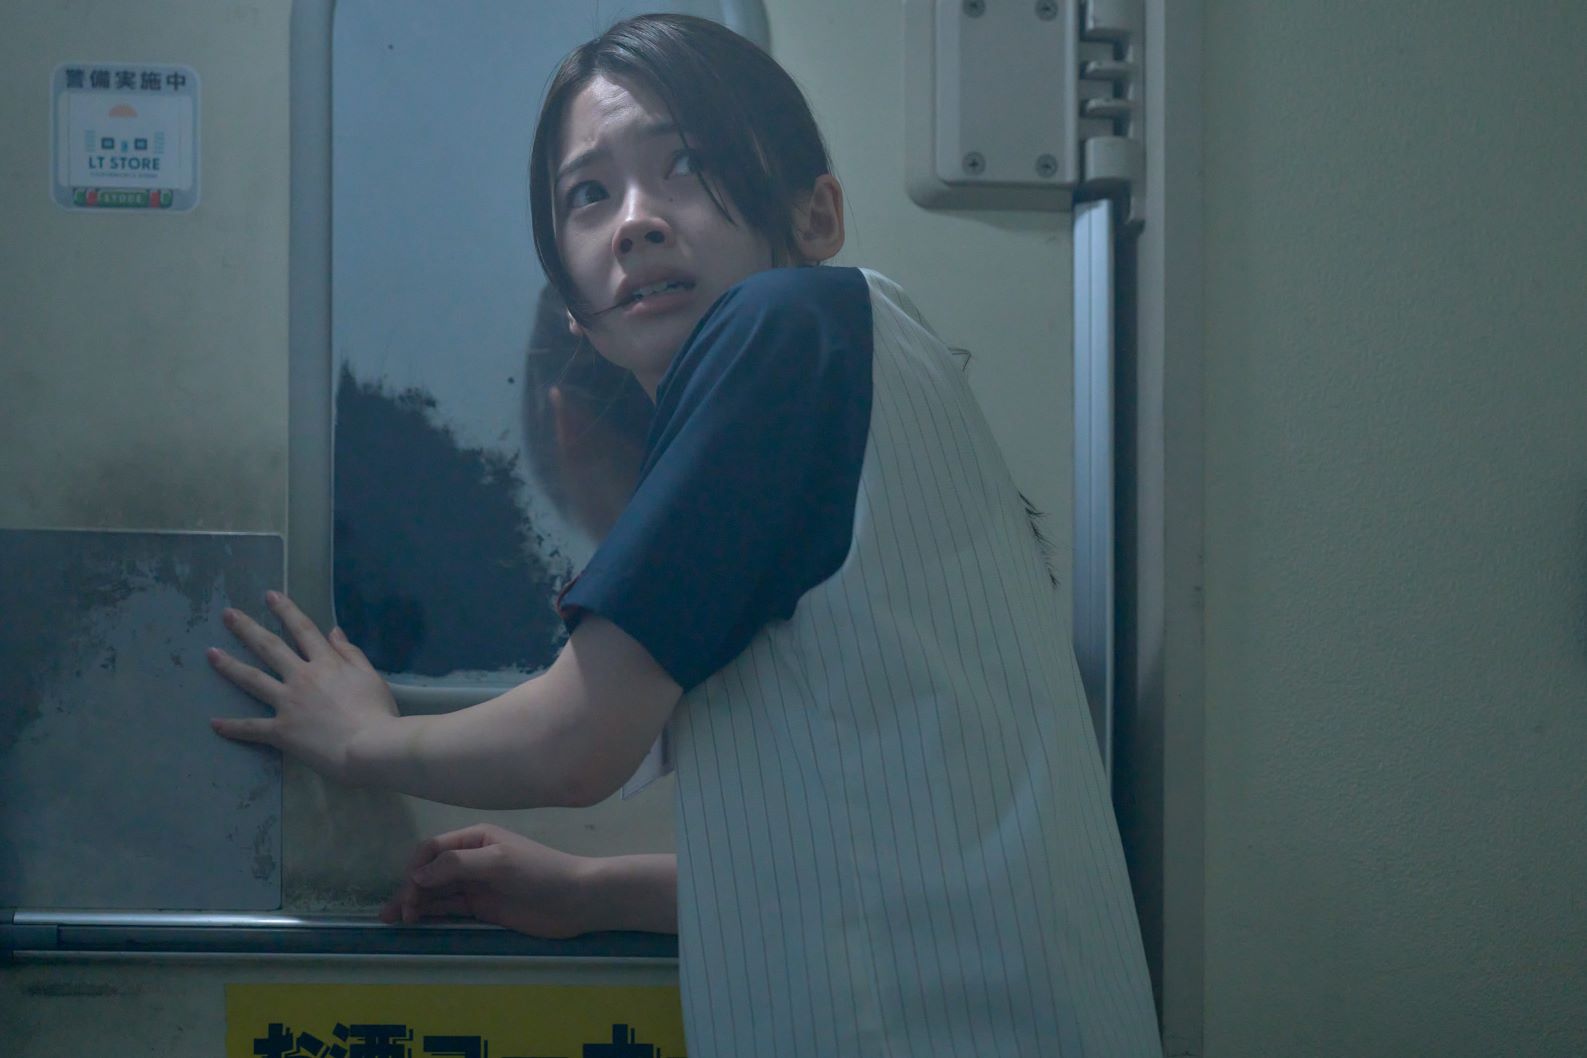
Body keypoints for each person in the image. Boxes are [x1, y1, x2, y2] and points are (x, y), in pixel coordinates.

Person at [210, 13, 1161, 1056]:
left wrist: (356, 739)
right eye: (589, 194)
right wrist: (591, 890)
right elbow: (873, 838)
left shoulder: (784, 326)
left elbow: (577, 743)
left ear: (815, 215)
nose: (636, 222)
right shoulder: (858, 380)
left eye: (688, 166)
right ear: (573, 308)